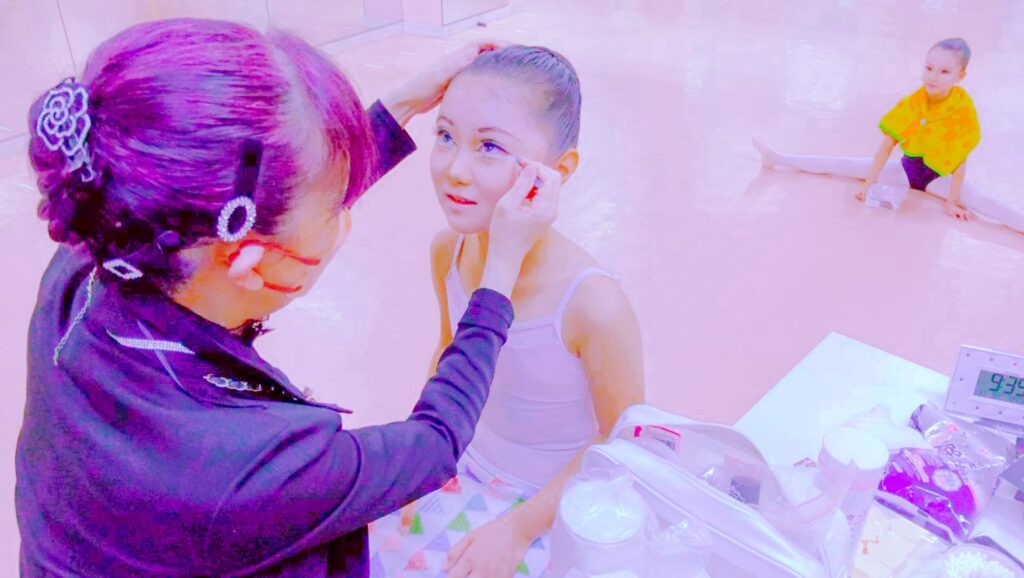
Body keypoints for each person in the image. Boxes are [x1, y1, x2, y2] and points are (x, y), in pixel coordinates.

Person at [15, 18, 560, 577]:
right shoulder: (238, 466)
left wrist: (402, 103)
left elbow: (271, 197)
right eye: (335, 207)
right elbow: (434, 444)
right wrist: (499, 272)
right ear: (248, 263)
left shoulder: (102, 240)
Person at [368, 45, 645, 578]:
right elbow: (448, 356)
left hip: (557, 501)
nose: (455, 170)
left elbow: (622, 440)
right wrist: (415, 460)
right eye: (445, 136)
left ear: (558, 171)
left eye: (490, 147)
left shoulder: (592, 304)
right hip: (460, 464)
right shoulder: (448, 252)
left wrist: (519, 528)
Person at [754, 38, 1024, 232]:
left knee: (985, 203)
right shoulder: (914, 102)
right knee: (844, 164)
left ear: (961, 75)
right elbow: (886, 147)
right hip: (907, 171)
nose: (932, 77)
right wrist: (868, 184)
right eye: (928, 67)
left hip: (939, 178)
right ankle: (779, 158)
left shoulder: (962, 108)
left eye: (944, 71)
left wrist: (951, 202)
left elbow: (961, 158)